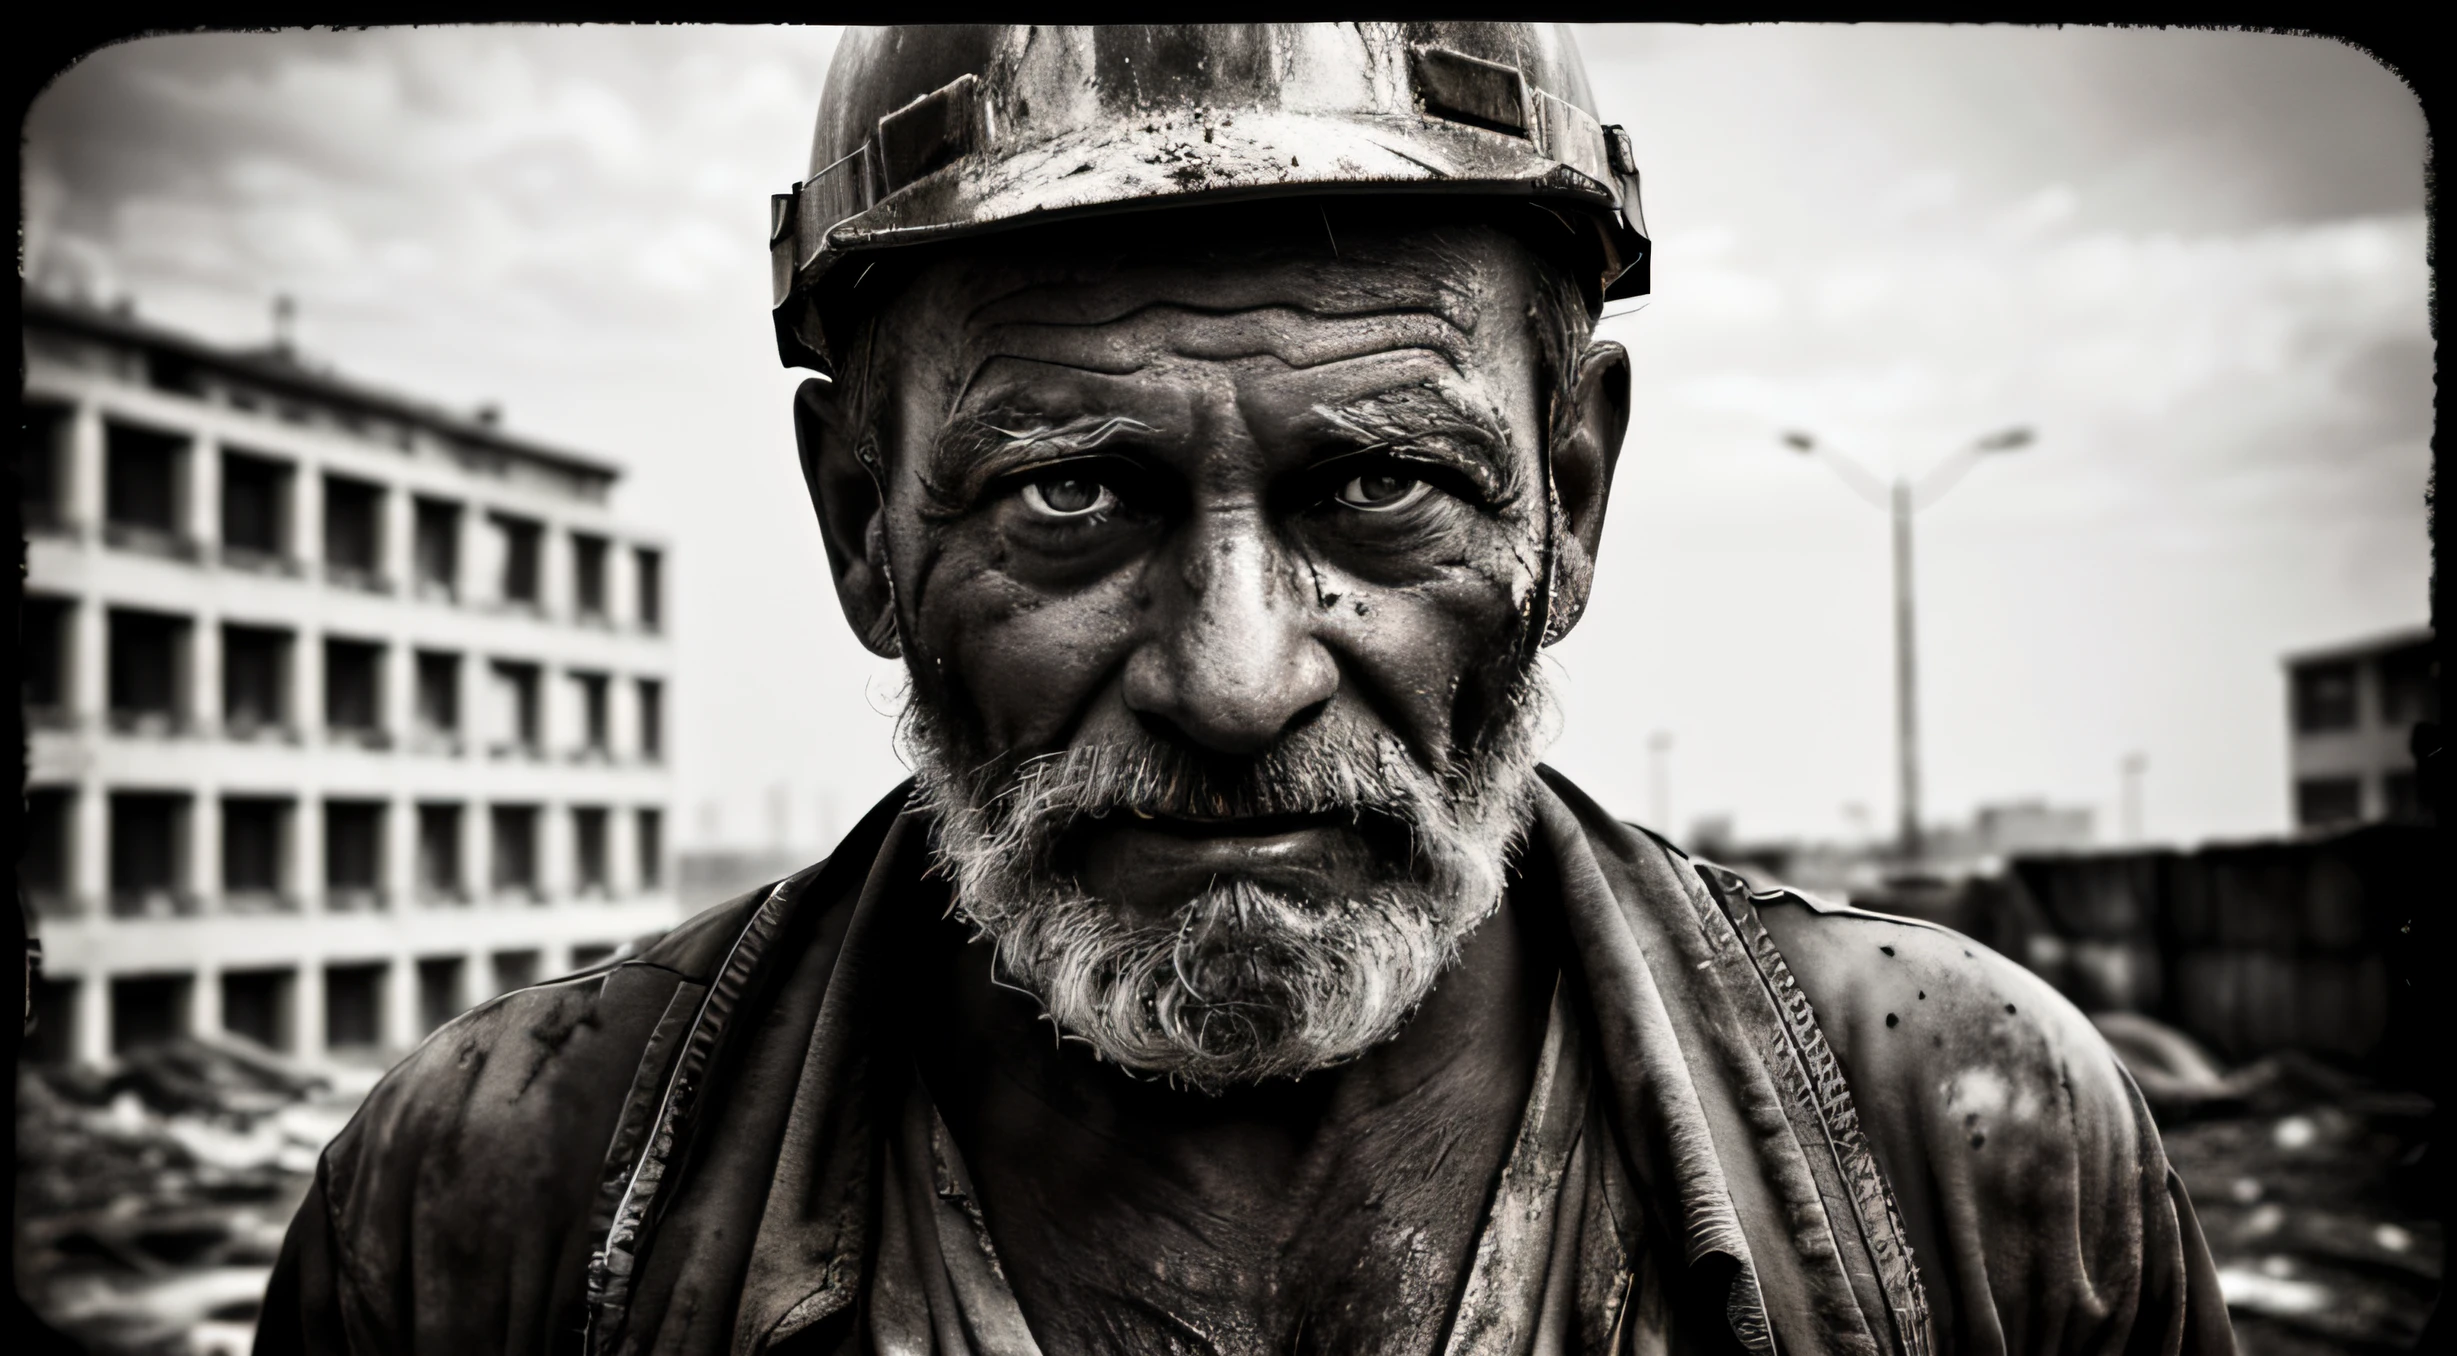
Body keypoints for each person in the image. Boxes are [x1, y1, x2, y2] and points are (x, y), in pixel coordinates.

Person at [257, 24, 2234, 1356]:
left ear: (1570, 497)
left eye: (1378, 482)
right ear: (863, 524)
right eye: (1069, 489)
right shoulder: (491, 1209)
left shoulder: (1972, 1155)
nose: (1232, 678)